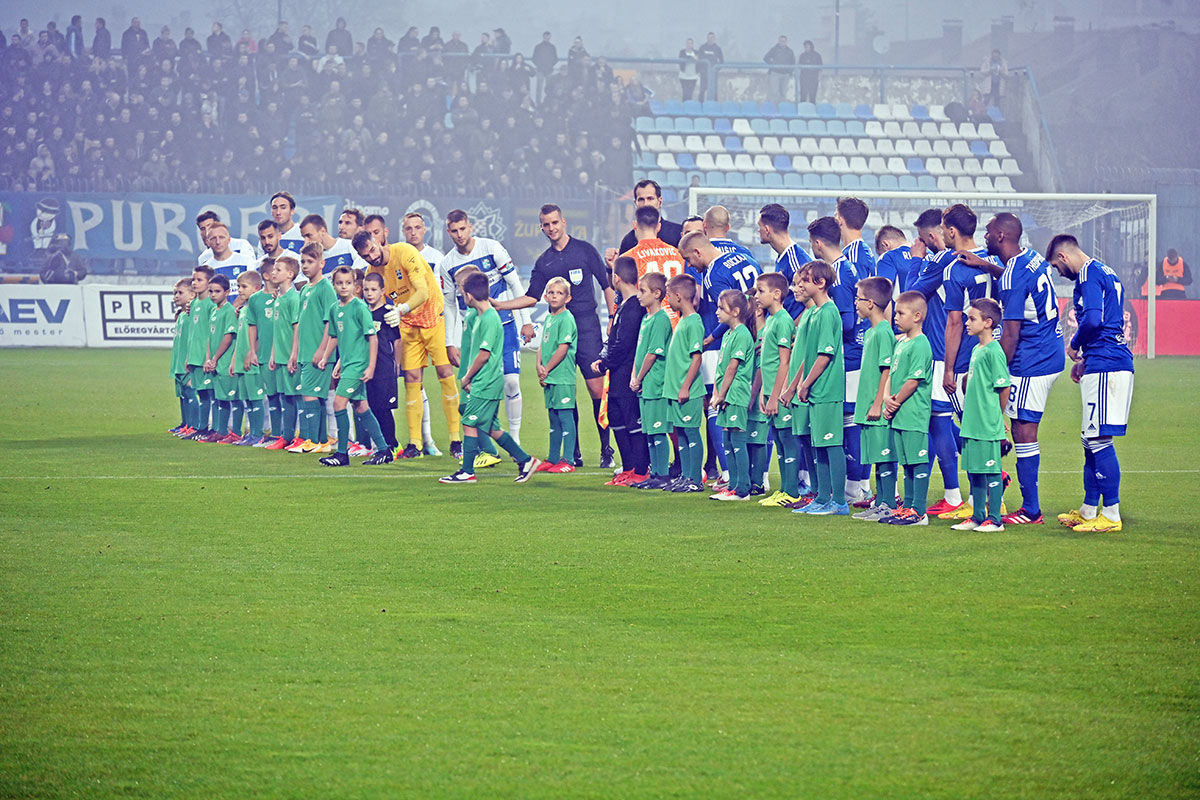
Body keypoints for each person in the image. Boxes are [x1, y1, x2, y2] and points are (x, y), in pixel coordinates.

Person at [960, 212, 1064, 525]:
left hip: (1035, 358)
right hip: (1049, 348)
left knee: (1023, 430)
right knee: (1019, 426)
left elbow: (1012, 333)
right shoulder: (1029, 258)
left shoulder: (1011, 278)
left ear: (1002, 236)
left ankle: (1031, 510)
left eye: (989, 233)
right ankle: (1023, 501)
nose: (986, 237)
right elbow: (1012, 275)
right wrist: (986, 265)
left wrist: (994, 372)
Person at [496, 204, 615, 468]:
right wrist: (501, 305)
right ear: (541, 227)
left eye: (554, 223)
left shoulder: (585, 250)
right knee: (564, 392)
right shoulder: (544, 262)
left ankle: (606, 449)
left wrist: (613, 318)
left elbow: (607, 285)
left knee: (596, 389)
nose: (551, 228)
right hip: (559, 329)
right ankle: (574, 453)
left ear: (563, 222)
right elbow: (531, 296)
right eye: (545, 225)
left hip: (586, 327)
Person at [1046, 234, 1135, 533]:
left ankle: (1110, 514)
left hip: (1108, 364)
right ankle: (1088, 509)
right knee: (1090, 438)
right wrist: (1085, 360)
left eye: (1058, 269)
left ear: (1062, 257)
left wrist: (1074, 345)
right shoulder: (1105, 270)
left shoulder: (1088, 275)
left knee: (1098, 440)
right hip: (1101, 361)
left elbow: (1094, 320)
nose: (1060, 274)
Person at [353, 228, 459, 460]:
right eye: (366, 256)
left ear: (378, 240)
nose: (372, 257)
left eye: (372, 250)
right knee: (411, 379)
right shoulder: (373, 271)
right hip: (408, 326)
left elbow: (422, 291)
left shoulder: (405, 252)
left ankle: (455, 438)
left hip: (433, 317)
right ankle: (414, 444)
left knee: (444, 371)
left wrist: (401, 309)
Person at [430, 210, 521, 452]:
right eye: (454, 231)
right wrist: (450, 342)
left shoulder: (492, 248)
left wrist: (526, 321)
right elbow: (449, 304)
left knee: (511, 383)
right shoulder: (447, 264)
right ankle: (485, 449)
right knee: (474, 390)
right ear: (448, 232)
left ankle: (515, 438)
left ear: (471, 227)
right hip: (473, 332)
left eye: (463, 229)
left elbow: (514, 283)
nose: (459, 235)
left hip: (505, 324)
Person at [440, 272, 542, 484]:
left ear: (468, 295)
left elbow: (484, 354)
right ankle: (525, 460)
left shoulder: (488, 318)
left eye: (461, 291)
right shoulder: (482, 316)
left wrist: (467, 377)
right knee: (491, 428)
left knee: (469, 422)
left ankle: (467, 471)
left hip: (486, 381)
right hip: (486, 381)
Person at [679, 230, 761, 489]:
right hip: (758, 333)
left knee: (722, 409)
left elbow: (730, 310)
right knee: (755, 414)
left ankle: (732, 476)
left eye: (689, 259)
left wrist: (712, 336)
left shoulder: (713, 276)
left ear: (698, 252)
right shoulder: (742, 256)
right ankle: (755, 478)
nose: (689, 265)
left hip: (740, 337)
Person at [907, 208, 965, 515]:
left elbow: (909, 294)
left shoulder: (940, 260)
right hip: (953, 350)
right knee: (940, 422)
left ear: (932, 236)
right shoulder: (968, 259)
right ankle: (989, 474)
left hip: (943, 352)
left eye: (921, 239)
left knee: (940, 423)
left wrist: (916, 259)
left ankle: (955, 497)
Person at [807, 215, 867, 505]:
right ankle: (855, 484)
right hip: (849, 356)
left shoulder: (839, 273)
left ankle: (856, 485)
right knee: (847, 422)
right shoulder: (846, 266)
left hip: (849, 357)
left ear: (818, 244)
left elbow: (847, 322)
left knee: (849, 423)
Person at [311, 266, 395, 466]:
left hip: (358, 366)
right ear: (334, 285)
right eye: (339, 283)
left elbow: (371, 338)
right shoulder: (335, 309)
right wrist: (329, 359)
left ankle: (342, 454)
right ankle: (384, 450)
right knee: (361, 407)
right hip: (348, 364)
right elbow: (338, 337)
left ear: (355, 285)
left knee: (338, 404)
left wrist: (371, 366)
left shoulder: (359, 308)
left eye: (348, 283)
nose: (344, 287)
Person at [790, 260, 847, 516]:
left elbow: (825, 355)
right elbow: (810, 355)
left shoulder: (828, 312)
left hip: (827, 390)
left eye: (806, 279)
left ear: (821, 283)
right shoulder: (814, 314)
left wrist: (805, 384)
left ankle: (839, 502)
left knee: (831, 444)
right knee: (818, 445)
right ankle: (823, 497)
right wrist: (797, 385)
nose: (800, 284)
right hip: (817, 391)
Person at [949, 298, 1011, 532]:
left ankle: (995, 520)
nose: (967, 322)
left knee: (991, 470)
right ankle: (977, 516)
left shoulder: (994, 351)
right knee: (974, 470)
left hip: (987, 423)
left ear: (988, 323)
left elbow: (1003, 386)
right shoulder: (977, 349)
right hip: (972, 423)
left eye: (972, 318)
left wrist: (998, 415)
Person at [834, 197, 877, 504]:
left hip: (856, 348)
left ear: (840, 220)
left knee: (854, 418)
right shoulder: (865, 252)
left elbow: (858, 304)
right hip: (862, 345)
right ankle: (860, 485)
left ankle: (858, 485)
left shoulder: (852, 256)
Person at [593, 256, 649, 485]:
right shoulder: (624, 304)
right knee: (617, 419)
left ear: (616, 278)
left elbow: (624, 344)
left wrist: (605, 362)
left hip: (627, 374)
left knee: (632, 422)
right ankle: (628, 468)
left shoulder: (635, 306)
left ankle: (640, 469)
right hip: (617, 374)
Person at [881, 291, 935, 526]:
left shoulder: (921, 344)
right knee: (906, 462)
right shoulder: (902, 342)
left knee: (917, 460)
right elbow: (892, 375)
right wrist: (886, 398)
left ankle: (919, 511)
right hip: (899, 413)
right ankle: (908, 506)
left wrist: (895, 402)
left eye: (900, 313)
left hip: (913, 412)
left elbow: (913, 380)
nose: (895, 317)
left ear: (917, 316)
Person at [851, 276, 900, 521]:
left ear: (870, 303)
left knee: (884, 459)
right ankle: (880, 502)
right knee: (875, 459)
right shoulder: (871, 332)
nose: (855, 304)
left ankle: (888, 504)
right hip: (867, 406)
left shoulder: (883, 332)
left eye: (858, 299)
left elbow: (887, 370)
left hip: (876, 408)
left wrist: (878, 402)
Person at [286, 242, 336, 454]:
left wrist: (322, 350)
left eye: (310, 261)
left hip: (318, 354)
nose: (305, 266)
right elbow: (300, 324)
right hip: (306, 353)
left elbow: (330, 322)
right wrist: (295, 352)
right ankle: (322, 441)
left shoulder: (326, 289)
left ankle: (313, 441)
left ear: (321, 263)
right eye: (302, 262)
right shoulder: (305, 289)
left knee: (310, 395)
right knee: (315, 396)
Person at [756, 272, 800, 507]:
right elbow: (767, 362)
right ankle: (784, 489)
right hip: (771, 393)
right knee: (780, 442)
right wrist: (764, 393)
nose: (756, 296)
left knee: (787, 438)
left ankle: (792, 491)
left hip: (781, 395)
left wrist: (775, 396)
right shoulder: (771, 320)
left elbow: (785, 361)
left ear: (777, 294)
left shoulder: (783, 320)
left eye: (761, 291)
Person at [709, 289, 755, 500]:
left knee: (737, 440)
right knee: (727, 440)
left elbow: (732, 368)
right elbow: (721, 367)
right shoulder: (728, 334)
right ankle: (733, 485)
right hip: (726, 395)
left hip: (735, 394)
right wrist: (717, 393)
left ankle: (742, 489)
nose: (717, 312)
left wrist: (722, 394)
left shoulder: (743, 334)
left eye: (721, 308)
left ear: (735, 311)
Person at [662, 273, 706, 493]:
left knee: (691, 433)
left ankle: (695, 479)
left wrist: (686, 386)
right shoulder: (683, 321)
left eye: (668, 294)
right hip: (675, 389)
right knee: (681, 434)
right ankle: (685, 475)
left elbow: (696, 357)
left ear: (678, 296)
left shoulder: (694, 323)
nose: (667, 299)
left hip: (687, 390)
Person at [630, 272, 673, 489]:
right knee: (648, 432)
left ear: (657, 294)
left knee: (657, 431)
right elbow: (640, 351)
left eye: (643, 291)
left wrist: (638, 377)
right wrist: (633, 376)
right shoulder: (646, 318)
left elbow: (653, 353)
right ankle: (654, 473)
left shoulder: (661, 319)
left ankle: (662, 474)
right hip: (643, 384)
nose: (639, 295)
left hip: (655, 383)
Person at [535, 277, 579, 473]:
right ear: (545, 296)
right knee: (553, 418)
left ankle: (568, 460)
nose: (554, 296)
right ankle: (553, 458)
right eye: (551, 292)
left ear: (568, 298)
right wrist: (539, 365)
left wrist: (547, 368)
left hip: (562, 376)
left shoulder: (567, 319)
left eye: (560, 293)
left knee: (565, 417)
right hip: (550, 376)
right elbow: (543, 345)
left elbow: (563, 349)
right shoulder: (549, 318)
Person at [620, 206, 688, 322]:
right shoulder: (678, 255)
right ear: (659, 227)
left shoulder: (627, 259)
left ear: (635, 225)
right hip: (674, 325)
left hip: (644, 325)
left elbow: (622, 294)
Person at [361, 272, 401, 456]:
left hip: (385, 367)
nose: (369, 293)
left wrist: (397, 365)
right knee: (373, 407)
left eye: (373, 290)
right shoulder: (362, 312)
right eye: (366, 289)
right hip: (367, 368)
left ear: (382, 291)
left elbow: (397, 341)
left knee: (384, 409)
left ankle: (393, 445)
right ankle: (380, 445)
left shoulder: (388, 314)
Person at [227, 271, 268, 445]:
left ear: (257, 288)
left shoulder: (258, 309)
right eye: (238, 287)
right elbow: (240, 337)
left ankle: (258, 434)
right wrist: (234, 359)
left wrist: (252, 353)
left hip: (253, 362)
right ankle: (251, 434)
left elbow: (261, 335)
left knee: (255, 398)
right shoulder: (243, 310)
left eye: (244, 287)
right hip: (241, 362)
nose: (240, 291)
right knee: (247, 400)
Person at [265, 255, 302, 450]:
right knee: (284, 396)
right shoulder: (278, 298)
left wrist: (293, 354)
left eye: (278, 270)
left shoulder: (293, 298)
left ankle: (301, 436)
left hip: (290, 357)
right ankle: (286, 436)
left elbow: (297, 327)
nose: (273, 272)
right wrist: (273, 354)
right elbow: (277, 330)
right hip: (279, 356)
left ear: (290, 274)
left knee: (295, 397)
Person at [201, 275, 238, 443]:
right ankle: (218, 429)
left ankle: (229, 431)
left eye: (217, 291)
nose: (213, 295)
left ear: (227, 292)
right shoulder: (214, 311)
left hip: (224, 362)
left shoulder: (229, 310)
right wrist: (208, 358)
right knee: (217, 397)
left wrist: (215, 358)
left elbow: (228, 336)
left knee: (228, 398)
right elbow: (210, 337)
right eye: (211, 291)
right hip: (214, 362)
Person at [182, 265, 217, 440]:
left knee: (210, 394)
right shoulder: (194, 303)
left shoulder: (211, 304)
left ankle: (212, 428)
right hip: (195, 357)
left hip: (205, 357)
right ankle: (201, 427)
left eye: (199, 280)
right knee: (201, 394)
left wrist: (208, 357)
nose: (194, 283)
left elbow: (212, 333)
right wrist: (189, 356)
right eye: (193, 279)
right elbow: (193, 334)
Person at [758, 203, 809, 317]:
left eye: (759, 226)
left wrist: (794, 329)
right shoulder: (783, 257)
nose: (758, 230)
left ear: (767, 229)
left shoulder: (796, 260)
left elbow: (813, 302)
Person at [615, 180, 684, 255]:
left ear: (659, 202)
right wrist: (611, 266)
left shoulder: (678, 233)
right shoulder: (628, 241)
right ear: (635, 203)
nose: (646, 204)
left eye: (650, 199)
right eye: (641, 199)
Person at [169, 279, 196, 437]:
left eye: (180, 293)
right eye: (174, 293)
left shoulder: (191, 315)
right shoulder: (180, 316)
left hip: (187, 362)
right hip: (178, 362)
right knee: (183, 394)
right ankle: (185, 423)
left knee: (190, 392)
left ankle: (194, 425)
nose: (176, 296)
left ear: (192, 295)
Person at [874, 225, 914, 292]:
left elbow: (883, 292)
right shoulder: (930, 254)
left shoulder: (888, 257)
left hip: (904, 302)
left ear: (885, 244)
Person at [763, 35, 795, 103]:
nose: (782, 42)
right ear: (778, 41)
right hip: (775, 73)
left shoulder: (790, 51)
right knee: (775, 92)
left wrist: (790, 72)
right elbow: (766, 58)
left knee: (783, 93)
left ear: (786, 42)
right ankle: (774, 110)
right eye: (781, 41)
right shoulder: (774, 49)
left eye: (784, 41)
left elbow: (793, 62)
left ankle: (782, 110)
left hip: (785, 74)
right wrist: (772, 64)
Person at [696, 33, 724, 101]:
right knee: (702, 90)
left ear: (714, 38)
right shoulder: (702, 47)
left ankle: (714, 105)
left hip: (713, 74)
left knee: (714, 90)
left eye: (712, 37)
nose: (710, 39)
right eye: (709, 37)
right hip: (704, 73)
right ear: (707, 38)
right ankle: (700, 106)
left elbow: (721, 61)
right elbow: (698, 60)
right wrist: (700, 70)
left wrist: (716, 70)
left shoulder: (717, 48)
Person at [532, 31, 557, 103]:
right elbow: (534, 58)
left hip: (549, 70)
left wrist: (550, 65)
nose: (547, 38)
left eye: (548, 36)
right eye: (545, 36)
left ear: (550, 37)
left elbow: (555, 58)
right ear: (543, 37)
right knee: (539, 89)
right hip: (540, 70)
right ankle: (538, 104)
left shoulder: (552, 47)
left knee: (549, 88)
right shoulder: (538, 47)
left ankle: (548, 103)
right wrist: (540, 65)